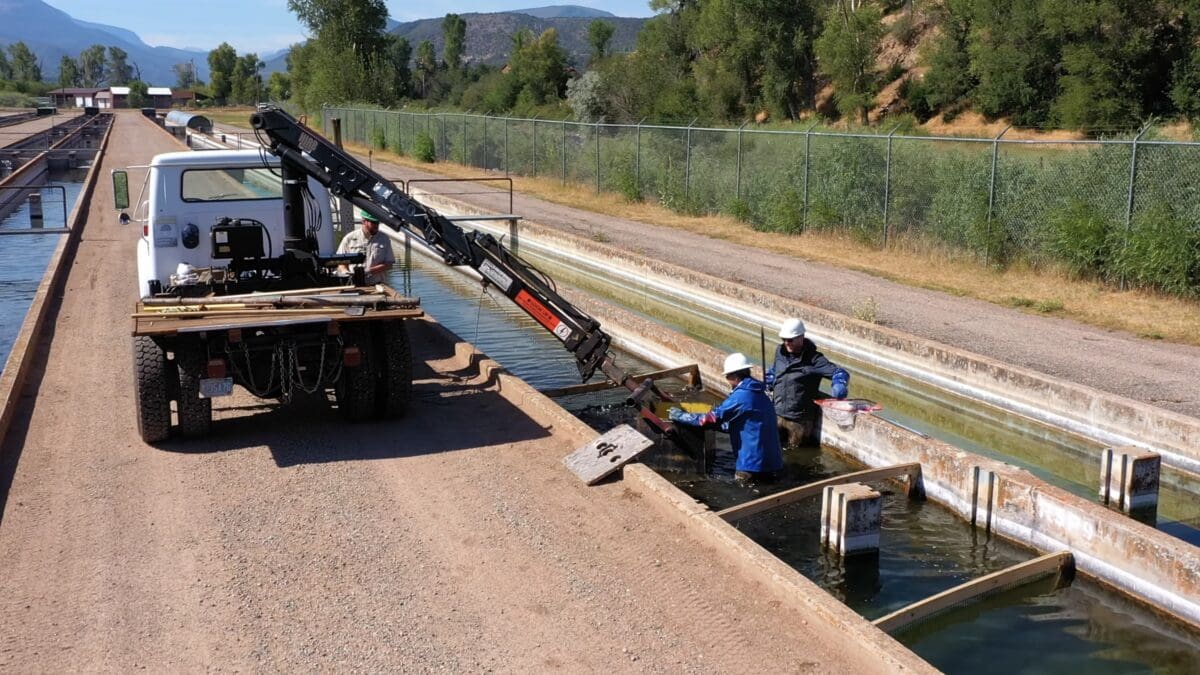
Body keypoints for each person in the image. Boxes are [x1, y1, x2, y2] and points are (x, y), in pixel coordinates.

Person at [669, 352, 783, 484]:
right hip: (773, 462)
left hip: (751, 464)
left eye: (727, 377)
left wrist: (681, 416)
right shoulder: (759, 392)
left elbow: (709, 419)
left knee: (745, 494)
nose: (728, 381)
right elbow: (744, 425)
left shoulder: (740, 397)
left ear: (733, 376)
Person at [766, 318, 850, 448]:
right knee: (774, 450)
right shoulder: (780, 352)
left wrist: (839, 384)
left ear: (801, 337)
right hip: (777, 414)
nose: (786, 343)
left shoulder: (815, 360)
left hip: (799, 420)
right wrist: (769, 379)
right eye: (784, 339)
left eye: (790, 340)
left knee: (796, 455)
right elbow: (775, 369)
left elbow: (839, 372)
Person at [336, 209, 395, 284]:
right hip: (354, 284)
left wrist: (368, 271)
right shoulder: (349, 238)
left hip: (377, 284)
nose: (376, 225)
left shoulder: (384, 239)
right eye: (373, 222)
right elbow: (340, 261)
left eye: (377, 222)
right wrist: (346, 272)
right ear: (364, 221)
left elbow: (389, 264)